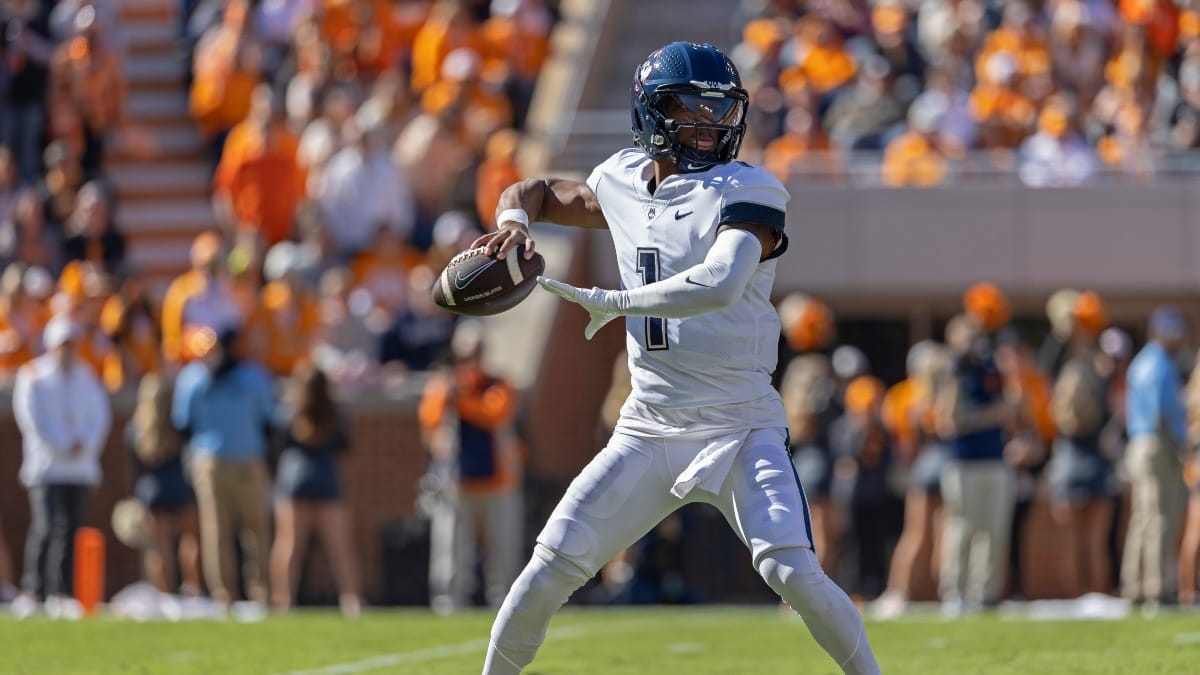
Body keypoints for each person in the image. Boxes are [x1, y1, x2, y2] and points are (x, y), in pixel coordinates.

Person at [474, 42, 879, 674]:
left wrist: (615, 301)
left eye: (719, 109)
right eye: (690, 107)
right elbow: (538, 191)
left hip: (739, 425)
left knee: (791, 571)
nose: (709, 123)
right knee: (548, 566)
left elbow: (721, 282)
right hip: (649, 425)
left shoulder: (749, 188)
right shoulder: (620, 180)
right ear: (651, 112)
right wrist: (514, 222)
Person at [419, 320, 524, 613]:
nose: (471, 360)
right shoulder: (443, 386)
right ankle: (449, 605)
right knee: (451, 551)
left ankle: (505, 608)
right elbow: (429, 420)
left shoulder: (498, 385)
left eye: (476, 352)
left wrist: (461, 398)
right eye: (465, 354)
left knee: (503, 551)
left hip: (497, 482)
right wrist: (447, 394)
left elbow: (494, 413)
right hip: (455, 481)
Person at [11, 315, 112, 619]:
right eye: (63, 344)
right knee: (46, 526)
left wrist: (84, 442)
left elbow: (100, 417)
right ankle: (34, 590)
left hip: (80, 469)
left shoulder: (88, 376)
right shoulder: (33, 375)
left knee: (74, 530)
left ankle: (64, 591)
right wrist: (63, 443)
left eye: (72, 344)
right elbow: (31, 419)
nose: (68, 350)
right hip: (47, 466)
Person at [172, 326, 276, 608]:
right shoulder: (194, 378)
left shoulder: (252, 377)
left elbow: (269, 422)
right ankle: (225, 595)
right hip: (216, 462)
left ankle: (258, 593)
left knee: (252, 529)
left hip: (242, 461)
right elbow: (183, 425)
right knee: (219, 530)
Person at [935, 293, 1019, 618]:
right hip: (963, 462)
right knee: (962, 529)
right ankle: (954, 592)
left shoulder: (991, 365)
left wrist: (982, 416)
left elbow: (1011, 406)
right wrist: (988, 414)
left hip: (995, 459)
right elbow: (948, 421)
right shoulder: (952, 371)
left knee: (994, 530)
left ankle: (985, 593)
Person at [269, 365, 362, 617]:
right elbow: (345, 447)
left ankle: (283, 600)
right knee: (340, 548)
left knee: (289, 545)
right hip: (325, 479)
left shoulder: (288, 413)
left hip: (293, 480)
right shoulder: (336, 414)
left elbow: (276, 446)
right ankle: (351, 599)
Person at [1122, 306, 1189, 610]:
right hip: (1156, 445)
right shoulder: (1159, 364)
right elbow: (1162, 414)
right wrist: (1180, 445)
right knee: (1160, 518)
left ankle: (1134, 585)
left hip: (1140, 444)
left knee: (1143, 517)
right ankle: (1158, 587)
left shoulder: (1142, 361)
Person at [127, 373, 201, 597]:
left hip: (152, 490)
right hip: (180, 485)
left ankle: (164, 593)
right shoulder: (179, 424)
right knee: (190, 540)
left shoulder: (135, 429)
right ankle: (192, 587)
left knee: (159, 547)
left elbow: (133, 468)